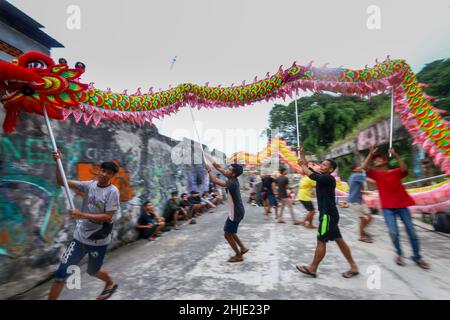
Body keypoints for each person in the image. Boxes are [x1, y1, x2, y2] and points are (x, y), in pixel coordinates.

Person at [49, 150, 120, 300]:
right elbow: (61, 181)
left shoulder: (113, 192)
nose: (104, 174)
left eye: (108, 173)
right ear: (99, 171)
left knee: (93, 271)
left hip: (98, 240)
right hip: (80, 238)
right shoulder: (89, 185)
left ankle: (110, 283)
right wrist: (58, 162)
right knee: (61, 274)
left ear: (112, 176)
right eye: (102, 170)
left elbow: (108, 217)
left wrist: (82, 215)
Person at [361, 146, 430, 269]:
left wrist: (396, 155)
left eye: (378, 159)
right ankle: (399, 254)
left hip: (402, 206)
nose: (376, 161)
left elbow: (404, 169)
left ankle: (417, 257)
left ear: (385, 160)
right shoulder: (376, 174)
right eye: (374, 161)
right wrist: (370, 153)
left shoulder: (396, 171)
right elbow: (364, 167)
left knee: (412, 233)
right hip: (388, 208)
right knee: (393, 233)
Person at [295, 147, 359, 279]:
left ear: (330, 170)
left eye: (324, 165)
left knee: (321, 241)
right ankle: (353, 267)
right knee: (339, 241)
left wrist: (302, 165)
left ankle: (313, 268)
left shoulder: (329, 179)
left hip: (327, 216)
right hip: (330, 215)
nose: (321, 165)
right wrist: (302, 154)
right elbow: (309, 169)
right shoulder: (322, 176)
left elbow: (310, 173)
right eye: (321, 164)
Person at [205, 160, 248, 262]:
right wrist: (216, 166)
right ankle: (242, 248)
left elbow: (215, 180)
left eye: (229, 169)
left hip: (236, 212)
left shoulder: (232, 183)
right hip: (237, 211)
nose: (226, 170)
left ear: (233, 174)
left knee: (227, 234)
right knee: (230, 231)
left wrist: (209, 170)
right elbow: (222, 170)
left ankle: (238, 255)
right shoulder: (232, 178)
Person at [347, 164, 373, 243]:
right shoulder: (356, 175)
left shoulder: (351, 177)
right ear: (354, 170)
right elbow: (371, 181)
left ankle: (363, 231)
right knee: (363, 219)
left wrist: (363, 192)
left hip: (359, 200)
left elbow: (353, 188)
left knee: (369, 216)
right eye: (358, 166)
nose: (360, 167)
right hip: (354, 201)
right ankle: (362, 236)